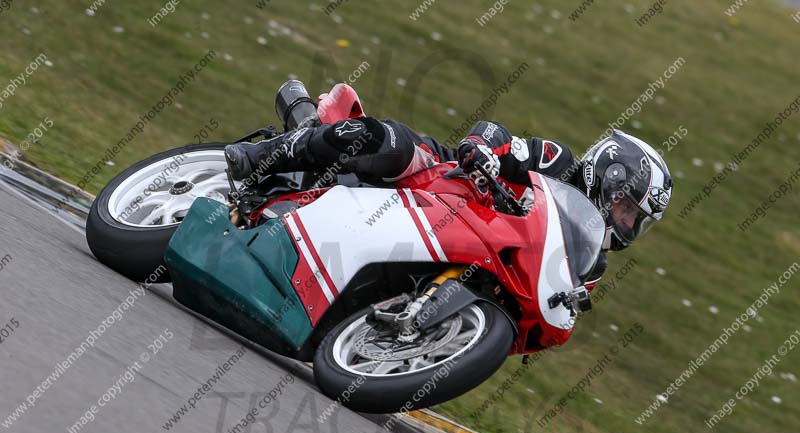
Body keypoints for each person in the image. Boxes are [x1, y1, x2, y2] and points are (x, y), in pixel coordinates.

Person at [224, 83, 673, 284]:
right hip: (435, 181)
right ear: (610, 178)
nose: (627, 224)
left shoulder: (586, 265)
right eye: (628, 209)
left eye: (636, 220)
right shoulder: (560, 164)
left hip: (463, 252)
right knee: (388, 141)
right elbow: (499, 136)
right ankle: (260, 157)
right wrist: (482, 150)